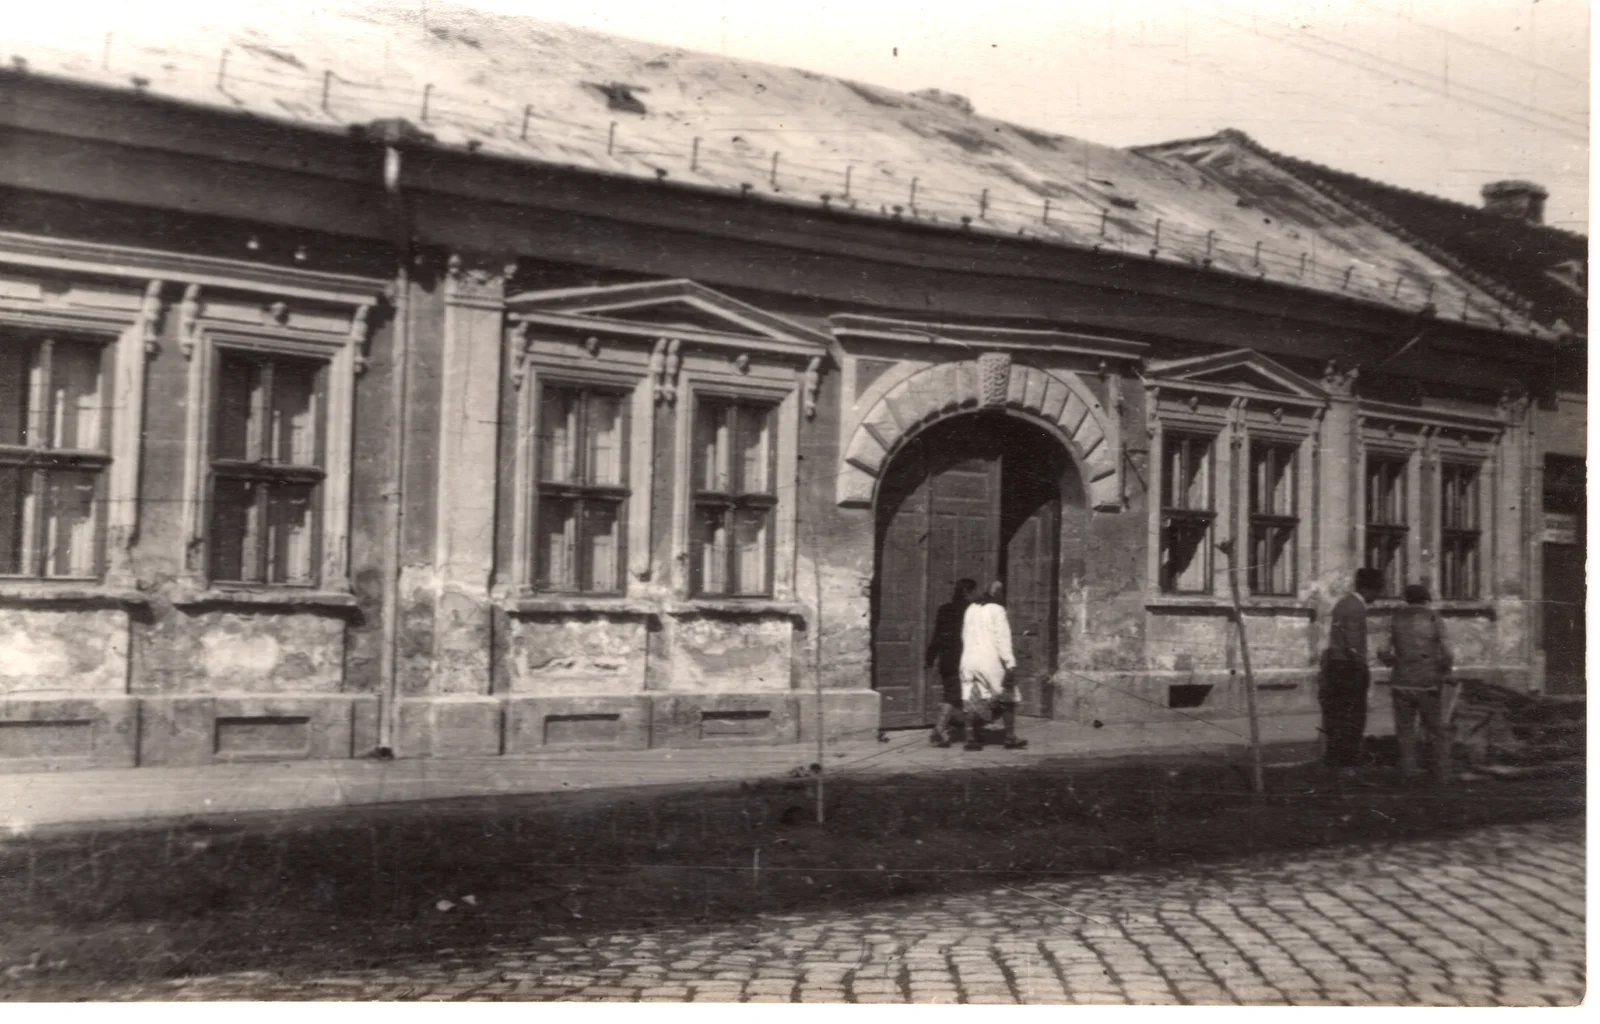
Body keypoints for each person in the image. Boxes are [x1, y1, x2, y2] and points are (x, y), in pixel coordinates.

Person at [1378, 584, 1455, 785]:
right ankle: (1441, 773)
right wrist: (1444, 670)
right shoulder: (1434, 618)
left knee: (1405, 730)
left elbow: (1383, 650)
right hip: (1428, 682)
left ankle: (1408, 772)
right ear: (1426, 599)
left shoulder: (1395, 618)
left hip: (1402, 681)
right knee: (1436, 729)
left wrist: (1394, 662)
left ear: (1406, 599)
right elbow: (1447, 652)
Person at [1321, 568, 1384, 777]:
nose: (1378, 595)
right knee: (1354, 716)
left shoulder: (1343, 603)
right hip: (1349, 667)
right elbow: (1353, 643)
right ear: (1368, 588)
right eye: (1377, 590)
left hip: (1336, 665)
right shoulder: (1357, 608)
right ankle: (1348, 761)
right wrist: (1362, 666)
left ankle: (1334, 759)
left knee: (1338, 715)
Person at [959, 581, 1028, 752]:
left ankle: (971, 739)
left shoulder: (970, 610)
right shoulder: (998, 610)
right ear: (996, 594)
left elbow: (964, 636)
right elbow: (1002, 639)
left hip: (968, 660)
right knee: (1008, 696)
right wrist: (1010, 663)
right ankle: (1010, 737)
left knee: (970, 696)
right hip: (990, 660)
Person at [925, 578, 977, 748]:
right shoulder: (972, 611)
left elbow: (937, 636)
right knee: (956, 696)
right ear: (967, 592)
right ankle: (939, 730)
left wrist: (930, 657)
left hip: (947, 660)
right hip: (964, 660)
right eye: (974, 591)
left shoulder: (944, 609)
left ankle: (956, 730)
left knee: (953, 694)